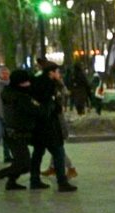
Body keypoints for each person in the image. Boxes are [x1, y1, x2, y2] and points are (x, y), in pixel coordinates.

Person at [0, 69, 39, 194]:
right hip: (16, 133)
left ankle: (11, 182)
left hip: (13, 132)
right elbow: (33, 110)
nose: (28, 84)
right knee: (24, 164)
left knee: (22, 163)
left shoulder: (10, 92)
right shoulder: (19, 96)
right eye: (25, 82)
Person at [29, 61, 77, 193]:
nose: (59, 74)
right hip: (49, 125)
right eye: (57, 72)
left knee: (38, 153)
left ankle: (34, 180)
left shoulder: (37, 82)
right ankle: (62, 181)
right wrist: (56, 105)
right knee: (58, 152)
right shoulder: (49, 85)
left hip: (38, 125)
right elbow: (51, 104)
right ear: (51, 73)